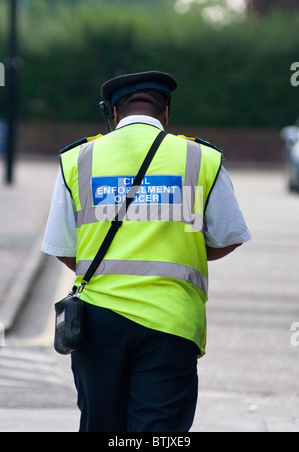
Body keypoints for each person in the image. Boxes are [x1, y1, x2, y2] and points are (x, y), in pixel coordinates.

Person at [42, 71, 251, 432]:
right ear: (166, 113)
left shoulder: (77, 160)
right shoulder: (202, 158)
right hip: (172, 322)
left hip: (98, 321)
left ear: (114, 114)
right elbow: (229, 236)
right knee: (160, 431)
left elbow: (62, 245)